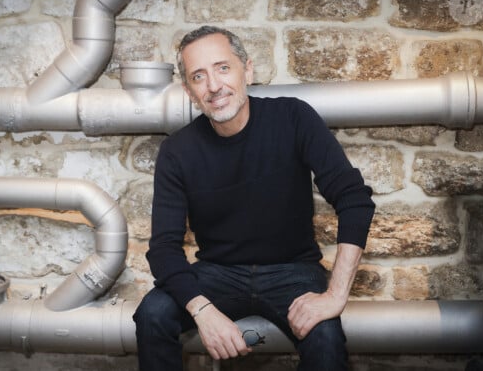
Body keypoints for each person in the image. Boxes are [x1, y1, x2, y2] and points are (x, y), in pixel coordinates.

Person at [133, 25, 375, 370]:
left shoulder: (293, 117)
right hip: (217, 273)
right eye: (198, 76)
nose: (214, 86)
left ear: (247, 70)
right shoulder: (177, 151)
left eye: (223, 68)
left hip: (293, 271)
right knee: (152, 313)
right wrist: (202, 310)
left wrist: (335, 296)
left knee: (325, 335)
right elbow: (163, 248)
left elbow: (355, 200)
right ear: (189, 91)